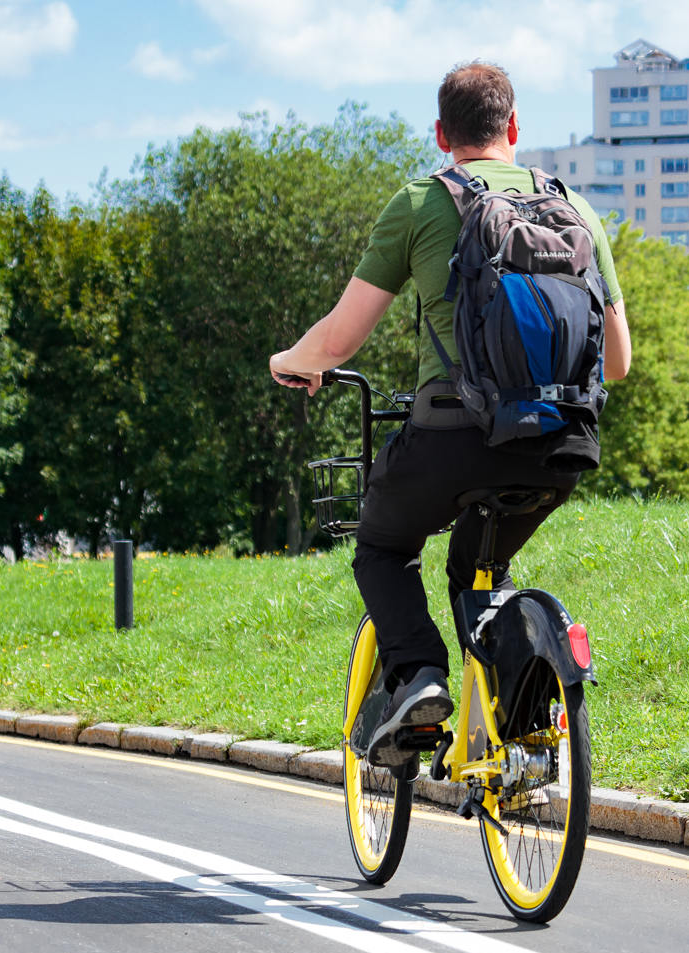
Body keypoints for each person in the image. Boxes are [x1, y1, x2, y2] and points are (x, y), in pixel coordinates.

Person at [269, 61, 631, 767]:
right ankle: (519, 728)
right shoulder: (577, 210)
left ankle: (421, 678)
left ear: (442, 134)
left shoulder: (420, 203)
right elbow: (616, 362)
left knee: (383, 547)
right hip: (564, 445)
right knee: (478, 569)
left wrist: (291, 361)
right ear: (514, 128)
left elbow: (340, 338)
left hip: (454, 435)